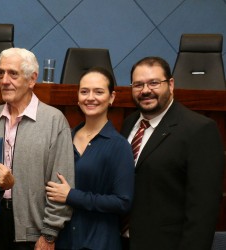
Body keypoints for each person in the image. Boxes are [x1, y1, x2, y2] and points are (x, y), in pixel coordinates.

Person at [0, 47, 74, 250]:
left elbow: (61, 184)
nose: (4, 80)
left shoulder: (54, 121)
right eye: (1, 73)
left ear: (32, 79)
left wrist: (49, 234)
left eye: (13, 73)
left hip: (34, 232)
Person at [121, 56, 224, 249]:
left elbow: (204, 209)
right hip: (123, 241)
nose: (145, 91)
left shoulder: (199, 129)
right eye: (138, 85)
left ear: (170, 84)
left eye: (153, 83)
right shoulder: (129, 124)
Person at [45, 67, 134, 250]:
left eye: (99, 92)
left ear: (112, 97)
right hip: (62, 241)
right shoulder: (64, 138)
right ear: (77, 97)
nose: (90, 97)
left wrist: (71, 196)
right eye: (84, 91)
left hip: (99, 243)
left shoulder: (119, 145)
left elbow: (122, 202)